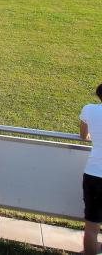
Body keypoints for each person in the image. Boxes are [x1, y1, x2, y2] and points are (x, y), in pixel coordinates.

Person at [79, 83, 102, 255]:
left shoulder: (89, 109)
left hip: (93, 174)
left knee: (91, 227)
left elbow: (83, 135)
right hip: (93, 174)